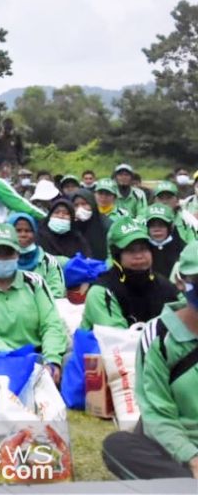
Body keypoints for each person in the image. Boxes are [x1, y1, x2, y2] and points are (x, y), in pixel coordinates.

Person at [101, 242, 198, 481]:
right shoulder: (158, 336)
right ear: (181, 282)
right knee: (118, 446)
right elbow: (158, 411)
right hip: (180, 449)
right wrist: (192, 457)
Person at [0, 224, 67, 381]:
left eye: (8, 252)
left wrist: (51, 360)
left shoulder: (35, 283)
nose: (2, 258)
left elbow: (51, 324)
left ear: (17, 253)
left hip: (38, 357)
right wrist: (18, 362)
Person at [81, 219, 178, 330]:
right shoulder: (102, 292)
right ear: (117, 255)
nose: (139, 256)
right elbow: (116, 340)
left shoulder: (163, 285)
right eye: (131, 250)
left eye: (144, 249)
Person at [9, 212, 66, 299]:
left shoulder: (48, 261)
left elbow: (56, 292)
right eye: (18, 231)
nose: (23, 235)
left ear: (35, 233)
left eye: (28, 231)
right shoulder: (1, 262)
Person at [145, 203, 185, 280]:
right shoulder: (143, 247)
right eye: (152, 225)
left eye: (161, 225)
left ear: (170, 227)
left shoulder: (181, 247)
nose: (157, 230)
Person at [70, 187, 111, 262]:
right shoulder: (70, 226)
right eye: (76, 205)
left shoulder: (106, 224)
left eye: (84, 204)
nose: (80, 208)